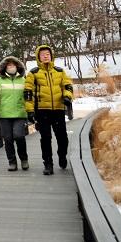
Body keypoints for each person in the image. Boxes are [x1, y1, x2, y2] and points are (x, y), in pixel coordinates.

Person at [24, 43, 74, 175]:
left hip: (58, 109)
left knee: (62, 137)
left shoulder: (59, 71)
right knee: (45, 138)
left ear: (51, 56)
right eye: (42, 55)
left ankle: (62, 156)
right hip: (42, 110)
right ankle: (48, 164)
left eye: (47, 54)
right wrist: (30, 111)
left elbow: (68, 86)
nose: (45, 56)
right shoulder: (33, 73)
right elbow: (28, 93)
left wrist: (67, 97)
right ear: (38, 57)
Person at [0, 55, 29, 171]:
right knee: (8, 138)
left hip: (20, 113)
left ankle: (24, 159)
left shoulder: (23, 80)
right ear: (4, 67)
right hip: (4, 114)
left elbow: (28, 97)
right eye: (9, 65)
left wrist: (30, 110)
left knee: (19, 136)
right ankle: (12, 162)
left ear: (17, 67)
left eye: (13, 65)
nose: (11, 67)